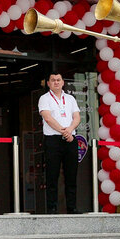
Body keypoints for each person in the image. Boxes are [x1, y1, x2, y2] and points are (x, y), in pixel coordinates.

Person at [38, 72, 81, 214]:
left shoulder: (70, 99)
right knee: (52, 175)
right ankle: (52, 208)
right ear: (48, 83)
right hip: (53, 140)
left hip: (70, 139)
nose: (56, 82)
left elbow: (77, 117)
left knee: (71, 175)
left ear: (63, 82)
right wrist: (64, 132)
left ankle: (72, 207)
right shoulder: (44, 98)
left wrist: (70, 130)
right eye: (53, 80)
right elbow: (48, 118)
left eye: (58, 80)